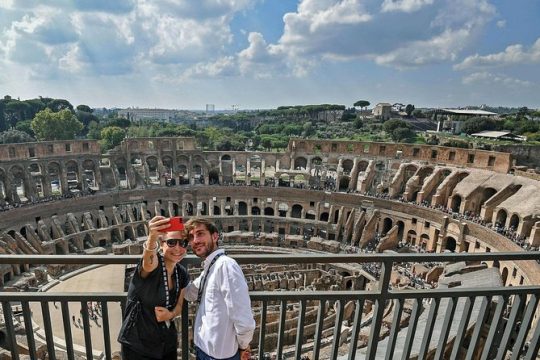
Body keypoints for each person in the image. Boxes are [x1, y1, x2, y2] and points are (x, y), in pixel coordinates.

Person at [118, 216, 190, 360]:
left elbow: (180, 304)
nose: (177, 248)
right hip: (138, 345)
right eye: (171, 242)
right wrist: (151, 238)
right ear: (161, 244)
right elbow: (148, 262)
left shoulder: (181, 273)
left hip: (166, 343)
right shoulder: (153, 266)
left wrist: (170, 315)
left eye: (183, 243)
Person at [184, 217, 256, 360]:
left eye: (200, 233)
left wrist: (243, 346)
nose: (195, 240)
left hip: (219, 356)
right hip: (204, 351)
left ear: (215, 236)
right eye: (191, 237)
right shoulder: (211, 267)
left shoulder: (226, 266)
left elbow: (243, 318)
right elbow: (189, 293)